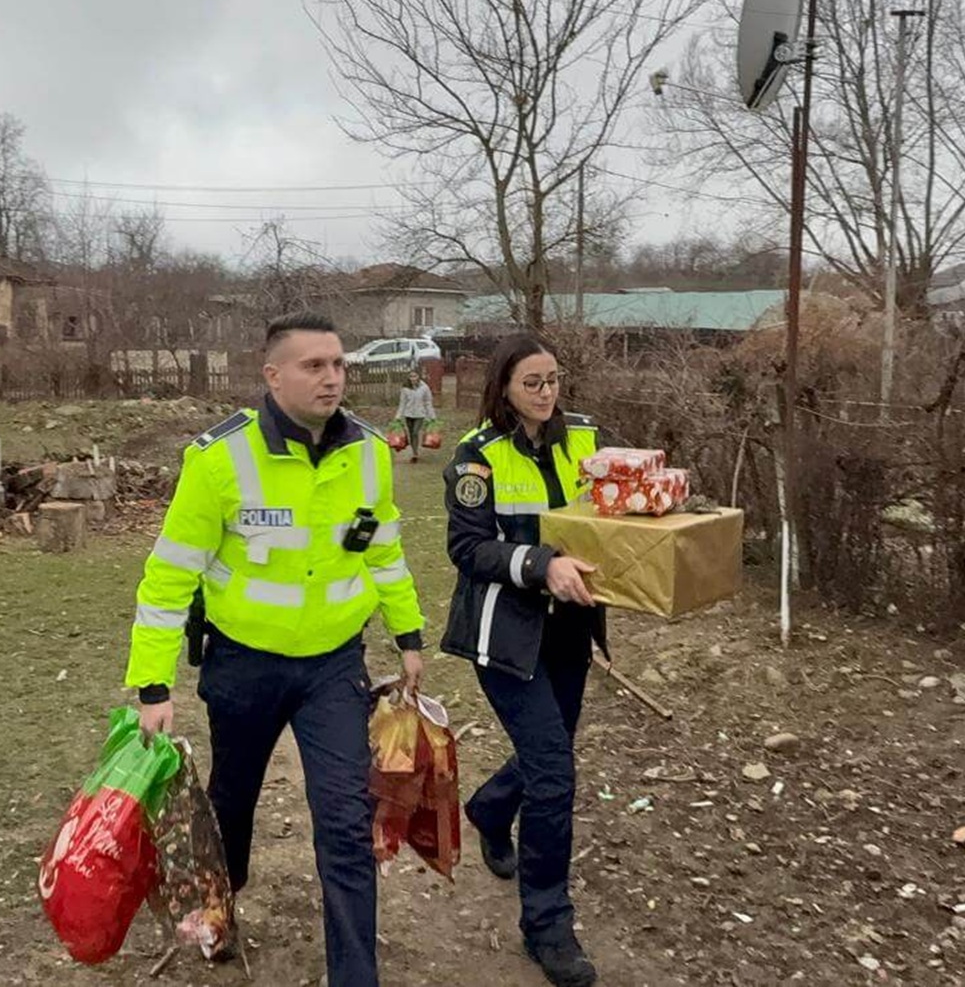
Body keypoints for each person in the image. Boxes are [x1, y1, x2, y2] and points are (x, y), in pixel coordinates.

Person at [125, 312, 426, 987]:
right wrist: (152, 685)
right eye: (314, 365)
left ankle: (356, 974)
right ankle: (219, 912)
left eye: (339, 364)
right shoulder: (218, 459)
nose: (331, 377)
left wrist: (408, 636)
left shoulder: (370, 453)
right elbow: (169, 576)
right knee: (232, 805)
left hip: (332, 666)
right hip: (244, 667)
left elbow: (383, 550)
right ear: (273, 375)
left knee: (347, 822)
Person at [438, 333, 605, 987]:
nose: (546, 392)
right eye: (532, 382)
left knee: (551, 749)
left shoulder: (585, 439)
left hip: (570, 630)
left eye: (554, 379)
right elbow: (467, 549)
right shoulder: (476, 458)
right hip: (504, 636)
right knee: (556, 773)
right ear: (504, 387)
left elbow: (612, 511)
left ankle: (488, 806)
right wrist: (539, 564)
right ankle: (546, 925)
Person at [395, 368, 436, 462]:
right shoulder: (405, 388)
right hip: (408, 414)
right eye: (411, 376)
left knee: (415, 432)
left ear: (419, 376)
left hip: (420, 414)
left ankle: (415, 453)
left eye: (415, 376)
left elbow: (428, 402)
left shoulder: (424, 388)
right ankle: (414, 451)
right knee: (411, 434)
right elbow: (402, 403)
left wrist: (432, 416)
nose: (413, 378)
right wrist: (398, 416)